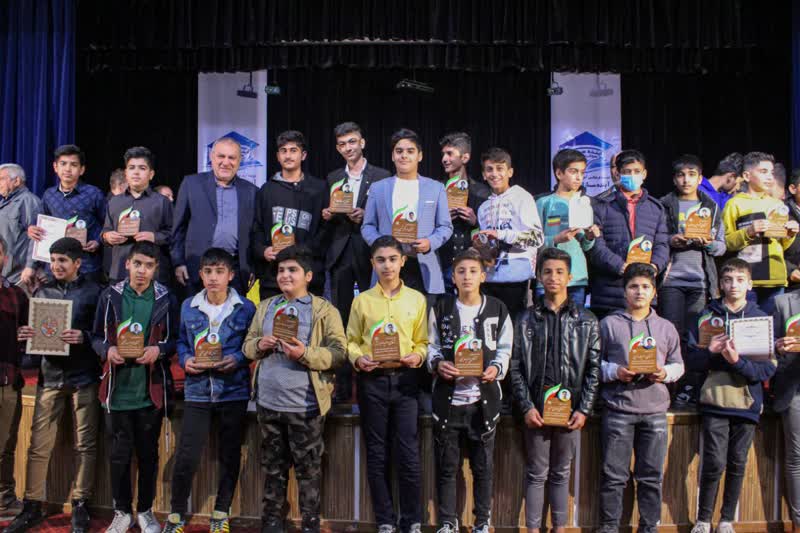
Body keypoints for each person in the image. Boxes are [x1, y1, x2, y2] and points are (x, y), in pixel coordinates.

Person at [242, 245, 346, 533]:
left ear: (308, 276)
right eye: (281, 270)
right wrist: (259, 345)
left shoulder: (324, 310)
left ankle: (310, 524)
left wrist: (305, 354)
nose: (285, 275)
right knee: (272, 471)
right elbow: (247, 347)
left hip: (306, 406)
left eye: (292, 270)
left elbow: (339, 353)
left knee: (308, 472)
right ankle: (272, 523)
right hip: (268, 404)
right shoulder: (266, 307)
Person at [6, 238, 102, 533]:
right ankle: (32, 504)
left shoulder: (94, 292)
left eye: (63, 260)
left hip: (84, 377)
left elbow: (102, 335)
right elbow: (34, 343)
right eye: (53, 260)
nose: (56, 266)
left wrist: (84, 337)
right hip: (49, 376)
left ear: (78, 263)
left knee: (85, 444)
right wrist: (26, 336)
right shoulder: (42, 292)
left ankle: (80, 504)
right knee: (38, 444)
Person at [161, 248, 256, 533]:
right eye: (208, 272)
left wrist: (237, 358)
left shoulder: (246, 307)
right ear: (201, 275)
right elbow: (181, 341)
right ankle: (176, 514)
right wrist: (186, 359)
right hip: (198, 391)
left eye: (220, 272)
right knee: (187, 455)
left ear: (230, 275)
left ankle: (220, 512)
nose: (214, 278)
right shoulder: (188, 305)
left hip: (233, 391)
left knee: (230, 454)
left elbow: (251, 345)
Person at [510, 247, 600, 533]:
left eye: (560, 272)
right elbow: (515, 368)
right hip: (536, 410)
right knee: (536, 473)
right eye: (547, 271)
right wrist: (526, 406)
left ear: (570, 277)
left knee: (561, 473)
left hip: (570, 411)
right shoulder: (524, 319)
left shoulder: (587, 320)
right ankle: (533, 529)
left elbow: (594, 370)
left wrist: (584, 409)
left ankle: (559, 528)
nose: (553, 277)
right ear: (538, 276)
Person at [91, 241, 178, 533]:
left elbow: (175, 340)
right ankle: (121, 511)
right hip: (117, 390)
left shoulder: (166, 298)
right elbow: (95, 336)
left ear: (156, 269)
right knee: (119, 456)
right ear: (127, 264)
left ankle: (145, 511)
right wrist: (107, 350)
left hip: (149, 391)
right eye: (137, 264)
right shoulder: (110, 295)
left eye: (148, 266)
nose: (142, 270)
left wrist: (159, 350)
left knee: (148, 455)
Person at [685, 259, 776, 533]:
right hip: (715, 400)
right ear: (720, 284)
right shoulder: (705, 316)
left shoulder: (761, 319)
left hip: (747, 402)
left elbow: (765, 370)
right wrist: (710, 353)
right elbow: (692, 361)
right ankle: (703, 520)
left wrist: (737, 362)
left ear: (750, 284)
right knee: (713, 463)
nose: (733, 285)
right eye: (727, 279)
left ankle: (726, 520)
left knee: (737, 463)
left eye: (739, 280)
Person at [427, 248, 512, 533]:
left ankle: (482, 522)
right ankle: (447, 522)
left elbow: (505, 348)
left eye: (473, 271)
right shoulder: (441, 307)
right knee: (447, 467)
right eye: (461, 271)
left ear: (483, 276)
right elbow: (431, 345)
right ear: (453, 277)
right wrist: (437, 363)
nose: (467, 276)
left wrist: (496, 368)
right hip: (448, 402)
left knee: (482, 468)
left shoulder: (497, 308)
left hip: (482, 402)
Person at [347, 236, 428, 533]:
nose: (387, 265)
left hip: (406, 382)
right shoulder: (362, 301)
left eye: (393, 259)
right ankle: (385, 520)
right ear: (372, 263)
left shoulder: (417, 300)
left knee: (408, 453)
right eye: (380, 260)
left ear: (403, 261)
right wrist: (358, 359)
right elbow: (351, 341)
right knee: (377, 454)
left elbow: (423, 341)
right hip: (373, 382)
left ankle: (412, 520)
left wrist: (418, 356)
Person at [597, 263, 684, 533]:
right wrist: (615, 372)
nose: (639, 291)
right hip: (618, 409)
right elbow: (593, 364)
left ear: (654, 292)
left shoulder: (666, 327)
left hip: (655, 411)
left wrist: (664, 373)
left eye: (645, 287)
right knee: (614, 476)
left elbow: (679, 365)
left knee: (651, 477)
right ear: (624, 291)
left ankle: (648, 527)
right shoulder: (608, 324)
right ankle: (610, 527)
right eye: (633, 286)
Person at [320, 122, 390, 403]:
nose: (347, 148)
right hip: (340, 254)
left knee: (372, 316)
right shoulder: (333, 177)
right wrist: (327, 214)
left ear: (362, 142)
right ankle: (342, 387)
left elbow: (387, 216)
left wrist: (365, 216)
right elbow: (327, 217)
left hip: (369, 251)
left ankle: (372, 384)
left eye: (352, 142)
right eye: (342, 144)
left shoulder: (382, 177)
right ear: (338, 148)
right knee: (341, 320)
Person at [361, 129, 453, 302]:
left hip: (423, 265)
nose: (404, 156)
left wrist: (430, 243)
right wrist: (382, 245)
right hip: (388, 265)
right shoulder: (378, 188)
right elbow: (368, 226)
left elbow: (445, 226)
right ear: (392, 156)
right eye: (399, 151)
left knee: (423, 318)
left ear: (420, 156)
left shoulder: (436, 188)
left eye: (410, 151)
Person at [172, 136, 258, 297]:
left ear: (239, 161)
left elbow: (255, 233)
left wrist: (252, 267)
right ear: (212, 157)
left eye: (232, 157)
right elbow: (178, 228)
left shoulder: (251, 191)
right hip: (196, 269)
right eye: (221, 156)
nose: (226, 162)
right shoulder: (191, 184)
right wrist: (178, 262)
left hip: (235, 271)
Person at [588, 149, 670, 319]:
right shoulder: (600, 206)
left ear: (644, 174)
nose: (632, 176)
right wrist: (620, 266)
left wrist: (653, 267)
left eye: (636, 171)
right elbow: (596, 246)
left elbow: (662, 244)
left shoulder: (656, 208)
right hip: (609, 293)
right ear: (617, 174)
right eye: (627, 172)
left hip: (644, 291)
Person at [251, 131, 327, 300]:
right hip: (273, 277)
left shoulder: (319, 189)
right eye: (283, 151)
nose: (288, 155)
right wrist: (263, 251)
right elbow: (257, 228)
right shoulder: (266, 190)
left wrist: (302, 253)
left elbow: (325, 230)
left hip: (308, 276)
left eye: (293, 150)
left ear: (303, 155)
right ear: (278, 156)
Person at [722, 151, 799, 314]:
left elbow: (783, 245)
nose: (769, 177)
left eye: (771, 172)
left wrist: (790, 234)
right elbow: (726, 242)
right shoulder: (734, 204)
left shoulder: (777, 204)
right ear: (747, 176)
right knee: (747, 324)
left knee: (773, 325)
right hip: (746, 279)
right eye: (763, 172)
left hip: (775, 278)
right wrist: (748, 232)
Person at [659, 154, 726, 339]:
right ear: (674, 179)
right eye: (681, 175)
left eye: (691, 174)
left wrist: (710, 244)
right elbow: (655, 239)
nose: (686, 180)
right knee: (671, 333)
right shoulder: (663, 205)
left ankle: (693, 360)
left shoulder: (711, 207)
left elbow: (722, 246)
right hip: (670, 280)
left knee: (695, 335)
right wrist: (671, 241)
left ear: (700, 178)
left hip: (700, 281)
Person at [476, 148, 544, 318]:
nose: (494, 174)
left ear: (510, 172)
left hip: (516, 280)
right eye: (489, 169)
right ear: (483, 174)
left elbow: (537, 238)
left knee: (514, 329)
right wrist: (482, 248)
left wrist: (502, 235)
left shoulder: (522, 197)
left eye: (500, 168)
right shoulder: (483, 207)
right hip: (489, 280)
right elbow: (489, 248)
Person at [25, 145, 106, 284]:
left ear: (82, 170)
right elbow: (38, 229)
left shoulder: (94, 194)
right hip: (55, 268)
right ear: (55, 167)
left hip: (86, 266)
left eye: (73, 165)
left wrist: (98, 241)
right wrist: (32, 230)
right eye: (63, 164)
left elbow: (108, 224)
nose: (68, 169)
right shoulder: (49, 195)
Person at [535, 149, 601, 306]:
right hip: (547, 278)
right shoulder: (543, 203)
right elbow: (532, 241)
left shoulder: (584, 203)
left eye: (582, 172)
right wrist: (555, 239)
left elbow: (585, 245)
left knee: (574, 319)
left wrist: (590, 237)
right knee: (545, 318)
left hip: (576, 277)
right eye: (573, 171)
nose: (579, 177)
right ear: (559, 173)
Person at [102, 147, 174, 286]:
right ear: (126, 173)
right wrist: (107, 237)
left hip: (153, 274)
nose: (136, 172)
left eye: (142, 168)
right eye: (131, 168)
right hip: (120, 271)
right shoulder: (114, 202)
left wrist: (155, 237)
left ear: (151, 174)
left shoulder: (162, 202)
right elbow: (105, 230)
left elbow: (174, 235)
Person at [437, 132, 490, 293]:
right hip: (441, 267)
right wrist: (441, 219)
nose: (444, 159)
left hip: (472, 269)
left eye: (449, 154)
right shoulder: (436, 189)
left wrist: (475, 222)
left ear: (465, 157)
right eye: (443, 154)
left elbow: (491, 233)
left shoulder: (481, 192)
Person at [0, 236, 28, 521]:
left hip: (8, 380)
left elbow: (30, 333)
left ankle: (4, 499)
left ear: (5, 258)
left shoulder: (17, 295)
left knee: (6, 445)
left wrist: (26, 336)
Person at [773, 288, 800, 533]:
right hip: (794, 391)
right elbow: (766, 347)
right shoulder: (782, 302)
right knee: (796, 458)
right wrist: (777, 347)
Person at [0, 163, 42, 287]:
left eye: (1, 179)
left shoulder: (28, 201)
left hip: (18, 276)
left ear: (17, 181)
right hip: (4, 273)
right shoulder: (4, 203)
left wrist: (30, 266)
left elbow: (37, 237)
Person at [784, 168, 800, 293]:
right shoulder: (780, 212)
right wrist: (790, 271)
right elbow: (771, 248)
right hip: (792, 286)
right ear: (793, 189)